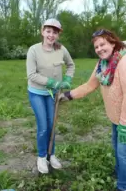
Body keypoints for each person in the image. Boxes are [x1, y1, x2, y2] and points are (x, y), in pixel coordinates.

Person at [59, 29, 126, 191]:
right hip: (116, 115)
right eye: (96, 47)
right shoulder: (103, 64)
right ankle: (120, 171)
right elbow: (90, 85)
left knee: (124, 152)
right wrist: (68, 95)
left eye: (103, 44)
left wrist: (124, 123)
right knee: (117, 147)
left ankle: (123, 187)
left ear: (113, 43)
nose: (99, 49)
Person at [26, 18, 75, 174]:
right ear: (42, 31)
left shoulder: (61, 50)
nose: (51, 35)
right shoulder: (33, 50)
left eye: (55, 32)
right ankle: (41, 157)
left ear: (58, 35)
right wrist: (52, 83)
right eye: (48, 31)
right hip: (37, 94)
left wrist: (67, 79)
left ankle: (51, 155)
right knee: (43, 126)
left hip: (53, 95)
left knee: (52, 125)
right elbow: (31, 75)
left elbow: (71, 65)